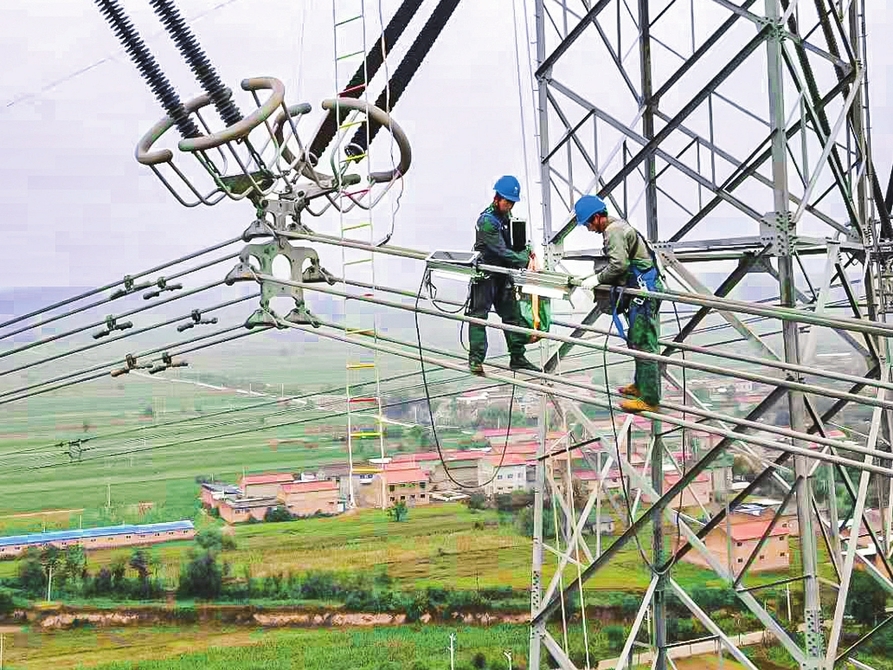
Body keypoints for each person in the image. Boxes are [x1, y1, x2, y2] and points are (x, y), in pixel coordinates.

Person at [574, 195, 663, 413]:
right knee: (637, 339)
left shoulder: (613, 231)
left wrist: (597, 279)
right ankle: (641, 385)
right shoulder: (617, 226)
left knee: (644, 343)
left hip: (644, 291)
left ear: (597, 217)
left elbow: (619, 265)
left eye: (588, 224)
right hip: (643, 288)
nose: (589, 229)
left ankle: (650, 399)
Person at [467, 175, 540, 376]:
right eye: (507, 202)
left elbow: (515, 242)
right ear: (497, 198)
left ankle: (517, 358)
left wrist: (527, 249)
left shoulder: (506, 217)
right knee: (479, 316)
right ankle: (476, 360)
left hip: (503, 275)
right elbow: (502, 251)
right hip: (486, 275)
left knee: (511, 316)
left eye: (512, 203)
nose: (510, 206)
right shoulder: (487, 221)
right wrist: (523, 259)